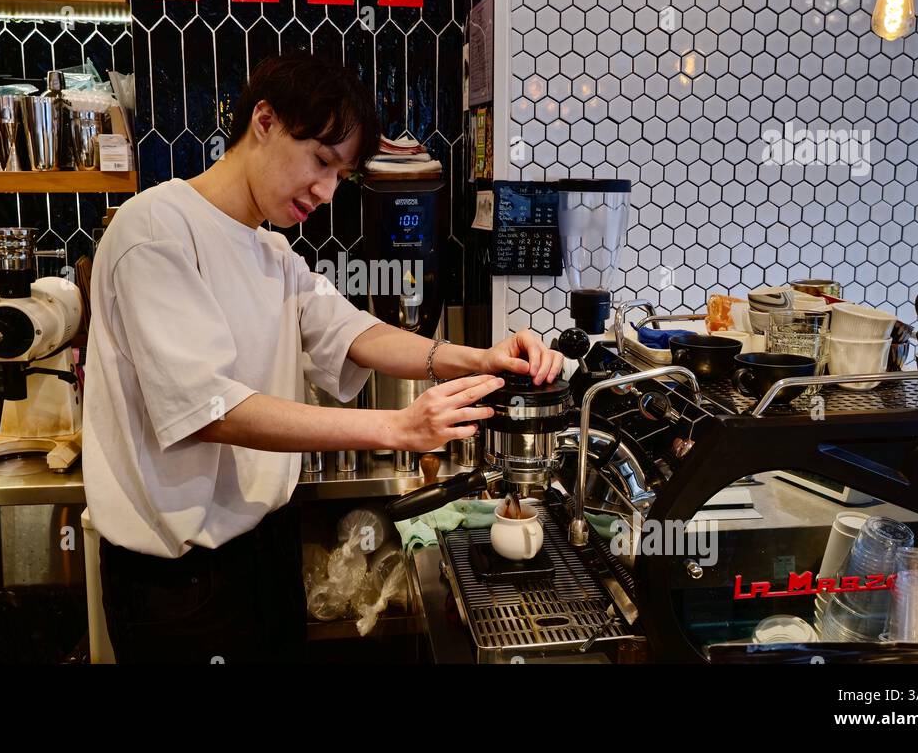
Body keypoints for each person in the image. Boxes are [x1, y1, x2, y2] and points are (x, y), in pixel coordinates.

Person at [83, 51, 564, 663]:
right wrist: (396, 426)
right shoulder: (155, 229)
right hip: (181, 585)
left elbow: (354, 332)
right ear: (264, 121)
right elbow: (208, 409)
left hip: (265, 553)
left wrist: (480, 358)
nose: (326, 190)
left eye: (341, 175)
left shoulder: (272, 252)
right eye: (320, 161)